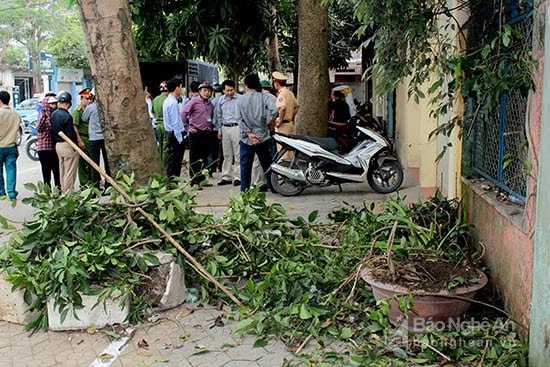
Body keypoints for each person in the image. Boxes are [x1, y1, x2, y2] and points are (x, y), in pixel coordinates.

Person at [237, 73, 278, 192]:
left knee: (245, 166)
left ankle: (244, 190)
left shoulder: (240, 99)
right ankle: (274, 187)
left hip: (246, 138)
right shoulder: (264, 97)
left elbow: (238, 119)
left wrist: (249, 133)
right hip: (262, 136)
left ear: (246, 85)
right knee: (267, 163)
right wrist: (271, 122)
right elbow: (274, 110)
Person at [181, 82, 214, 188]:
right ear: (199, 92)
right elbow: (183, 113)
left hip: (207, 133)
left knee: (203, 157)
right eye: (204, 91)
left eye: (209, 91)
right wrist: (187, 127)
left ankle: (202, 179)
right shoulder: (194, 102)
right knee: (194, 157)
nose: (207, 93)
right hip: (196, 133)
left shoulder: (210, 104)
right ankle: (194, 182)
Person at [50, 91, 85, 193]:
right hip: (68, 145)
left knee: (62, 170)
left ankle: (63, 190)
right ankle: (68, 192)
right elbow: (70, 134)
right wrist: (76, 147)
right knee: (70, 171)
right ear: (69, 103)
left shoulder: (53, 114)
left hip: (58, 145)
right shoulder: (67, 116)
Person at [81, 92, 111, 190]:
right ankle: (108, 185)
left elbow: (84, 118)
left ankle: (95, 187)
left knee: (94, 163)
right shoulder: (105, 106)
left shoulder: (90, 107)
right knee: (107, 162)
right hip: (104, 137)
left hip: (94, 138)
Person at [215, 80, 241, 186]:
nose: (229, 92)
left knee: (238, 153)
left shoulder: (240, 99)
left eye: (231, 90)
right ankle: (226, 176)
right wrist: (219, 130)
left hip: (237, 127)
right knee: (226, 153)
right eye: (227, 90)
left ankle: (238, 176)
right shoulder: (221, 100)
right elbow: (218, 116)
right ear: (223, 90)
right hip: (225, 128)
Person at [36, 96, 61, 191]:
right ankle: (47, 191)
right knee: (46, 172)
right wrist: (45, 115)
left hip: (54, 148)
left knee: (57, 171)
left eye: (55, 104)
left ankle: (58, 190)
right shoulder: (43, 116)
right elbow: (38, 128)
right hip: (44, 149)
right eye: (51, 104)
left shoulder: (56, 115)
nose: (53, 106)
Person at [163, 78, 186, 180]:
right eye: (181, 87)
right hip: (175, 134)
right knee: (175, 161)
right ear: (177, 88)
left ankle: (172, 182)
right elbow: (175, 122)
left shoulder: (168, 100)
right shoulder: (172, 103)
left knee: (174, 160)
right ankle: (172, 183)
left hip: (171, 133)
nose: (182, 89)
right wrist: (180, 139)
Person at [0, 91, 21, 200]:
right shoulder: (16, 114)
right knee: (11, 169)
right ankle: (12, 193)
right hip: (12, 146)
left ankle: (1, 193)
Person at [72, 87, 93, 187]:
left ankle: (92, 182)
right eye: (86, 98)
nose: (88, 101)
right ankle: (84, 184)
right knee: (83, 163)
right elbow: (74, 126)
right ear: (81, 99)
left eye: (90, 99)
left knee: (92, 162)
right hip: (83, 137)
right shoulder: (78, 111)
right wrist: (79, 140)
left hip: (91, 138)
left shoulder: (91, 109)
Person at [151, 81, 169, 165]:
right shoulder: (168, 99)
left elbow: (153, 112)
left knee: (160, 147)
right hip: (165, 125)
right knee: (166, 148)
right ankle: (164, 165)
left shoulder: (155, 99)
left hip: (157, 125)